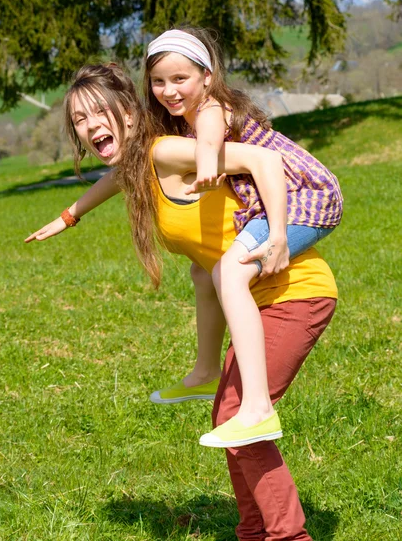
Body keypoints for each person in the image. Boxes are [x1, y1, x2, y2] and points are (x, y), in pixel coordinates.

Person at [26, 64, 337, 541]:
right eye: (78, 120)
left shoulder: (165, 149)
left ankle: (287, 537)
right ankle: (253, 532)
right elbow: (118, 180)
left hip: (295, 291)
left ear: (130, 111)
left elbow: (262, 161)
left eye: (97, 112)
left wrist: (275, 231)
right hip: (261, 297)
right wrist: (69, 215)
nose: (89, 127)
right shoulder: (142, 163)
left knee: (241, 417)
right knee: (229, 415)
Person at [142, 28, 343, 449]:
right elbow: (128, 168)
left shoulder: (212, 108)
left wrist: (278, 237)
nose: (168, 90)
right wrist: (72, 214)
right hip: (272, 199)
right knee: (204, 271)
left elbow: (214, 137)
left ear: (207, 77)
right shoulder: (185, 119)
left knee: (231, 272)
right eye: (159, 81)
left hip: (305, 195)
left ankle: (257, 409)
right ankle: (205, 372)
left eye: (180, 79)